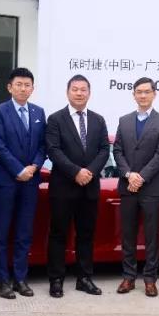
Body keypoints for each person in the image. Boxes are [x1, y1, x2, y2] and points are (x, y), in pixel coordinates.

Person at [45, 74, 110, 298]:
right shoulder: (55, 119)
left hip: (89, 187)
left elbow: (104, 150)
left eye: (83, 89)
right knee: (58, 234)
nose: (79, 93)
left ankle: (84, 278)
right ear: (67, 92)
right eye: (75, 89)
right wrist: (75, 172)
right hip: (63, 187)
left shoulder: (98, 120)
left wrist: (89, 172)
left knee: (86, 235)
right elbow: (53, 150)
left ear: (89, 93)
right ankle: (56, 280)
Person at [112, 77, 159, 297]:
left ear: (154, 94)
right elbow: (117, 151)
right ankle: (128, 277)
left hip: (151, 188)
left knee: (151, 236)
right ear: (134, 95)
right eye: (139, 91)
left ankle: (150, 279)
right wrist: (129, 175)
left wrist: (141, 177)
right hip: (127, 187)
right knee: (127, 234)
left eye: (147, 91)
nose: (143, 95)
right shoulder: (124, 120)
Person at [0, 68, 46, 299]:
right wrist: (19, 169)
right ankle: (2, 280)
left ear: (32, 88)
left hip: (30, 182)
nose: (23, 89)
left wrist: (34, 166)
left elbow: (43, 145)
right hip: (7, 180)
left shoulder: (38, 112)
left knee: (24, 232)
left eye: (27, 85)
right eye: (19, 84)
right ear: (10, 87)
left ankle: (20, 279)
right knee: (2, 232)